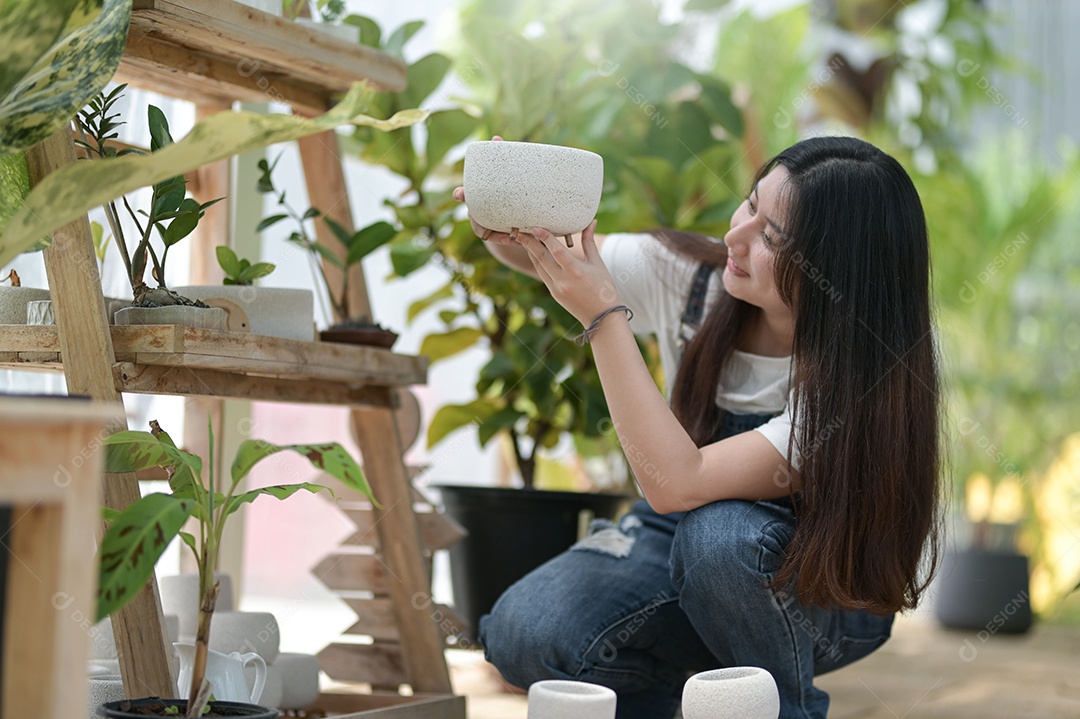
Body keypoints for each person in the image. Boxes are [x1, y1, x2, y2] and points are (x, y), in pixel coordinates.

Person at [451, 135, 941, 719]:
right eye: (750, 204)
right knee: (524, 634)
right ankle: (711, 706)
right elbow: (570, 260)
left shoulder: (856, 385)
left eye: (772, 237)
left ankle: (783, 707)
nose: (735, 237)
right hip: (672, 540)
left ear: (838, 271)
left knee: (721, 538)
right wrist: (512, 220)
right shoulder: (695, 279)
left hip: (819, 583)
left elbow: (677, 482)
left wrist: (603, 317)